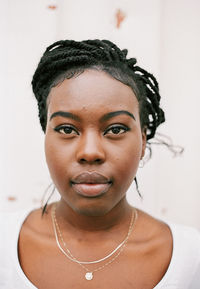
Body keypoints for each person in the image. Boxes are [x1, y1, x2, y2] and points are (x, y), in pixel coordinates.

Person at [0, 39, 200, 289]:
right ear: (46, 137)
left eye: (115, 129)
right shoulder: (5, 244)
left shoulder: (190, 258)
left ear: (142, 141)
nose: (90, 152)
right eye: (66, 129)